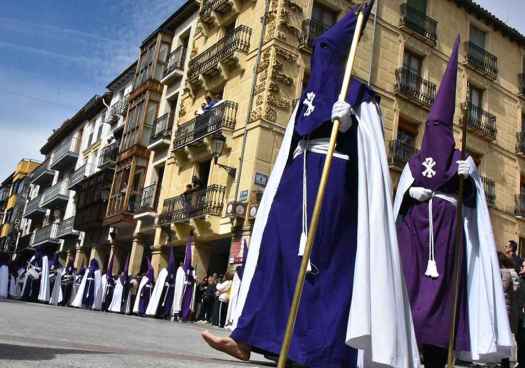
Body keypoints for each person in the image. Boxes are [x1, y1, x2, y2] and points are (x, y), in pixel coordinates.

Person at [202, 7, 420, 367]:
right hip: (296, 182)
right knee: (274, 253)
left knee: (326, 268)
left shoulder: (360, 95)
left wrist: (352, 125)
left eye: (327, 52)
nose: (321, 58)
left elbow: (373, 152)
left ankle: (321, 351)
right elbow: (293, 138)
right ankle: (247, 337)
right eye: (319, 52)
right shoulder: (308, 95)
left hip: (337, 185)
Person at [393, 36, 512, 367]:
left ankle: (437, 353)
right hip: (414, 237)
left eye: (439, 129)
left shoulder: (461, 160)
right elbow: (398, 203)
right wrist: (409, 196)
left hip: (448, 241)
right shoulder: (414, 163)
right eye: (430, 128)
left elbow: (474, 207)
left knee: (444, 298)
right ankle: (406, 346)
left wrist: (470, 177)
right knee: (410, 290)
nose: (434, 134)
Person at [499, 252, 519, 368]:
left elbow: (503, 288)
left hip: (506, 310)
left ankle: (506, 361)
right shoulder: (510, 272)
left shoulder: (506, 273)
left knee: (506, 337)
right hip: (507, 308)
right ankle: (505, 361)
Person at [146, 246, 176, 319]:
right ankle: (158, 312)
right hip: (162, 290)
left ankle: (165, 313)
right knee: (161, 300)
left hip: (168, 290)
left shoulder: (171, 273)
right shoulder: (163, 272)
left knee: (166, 302)